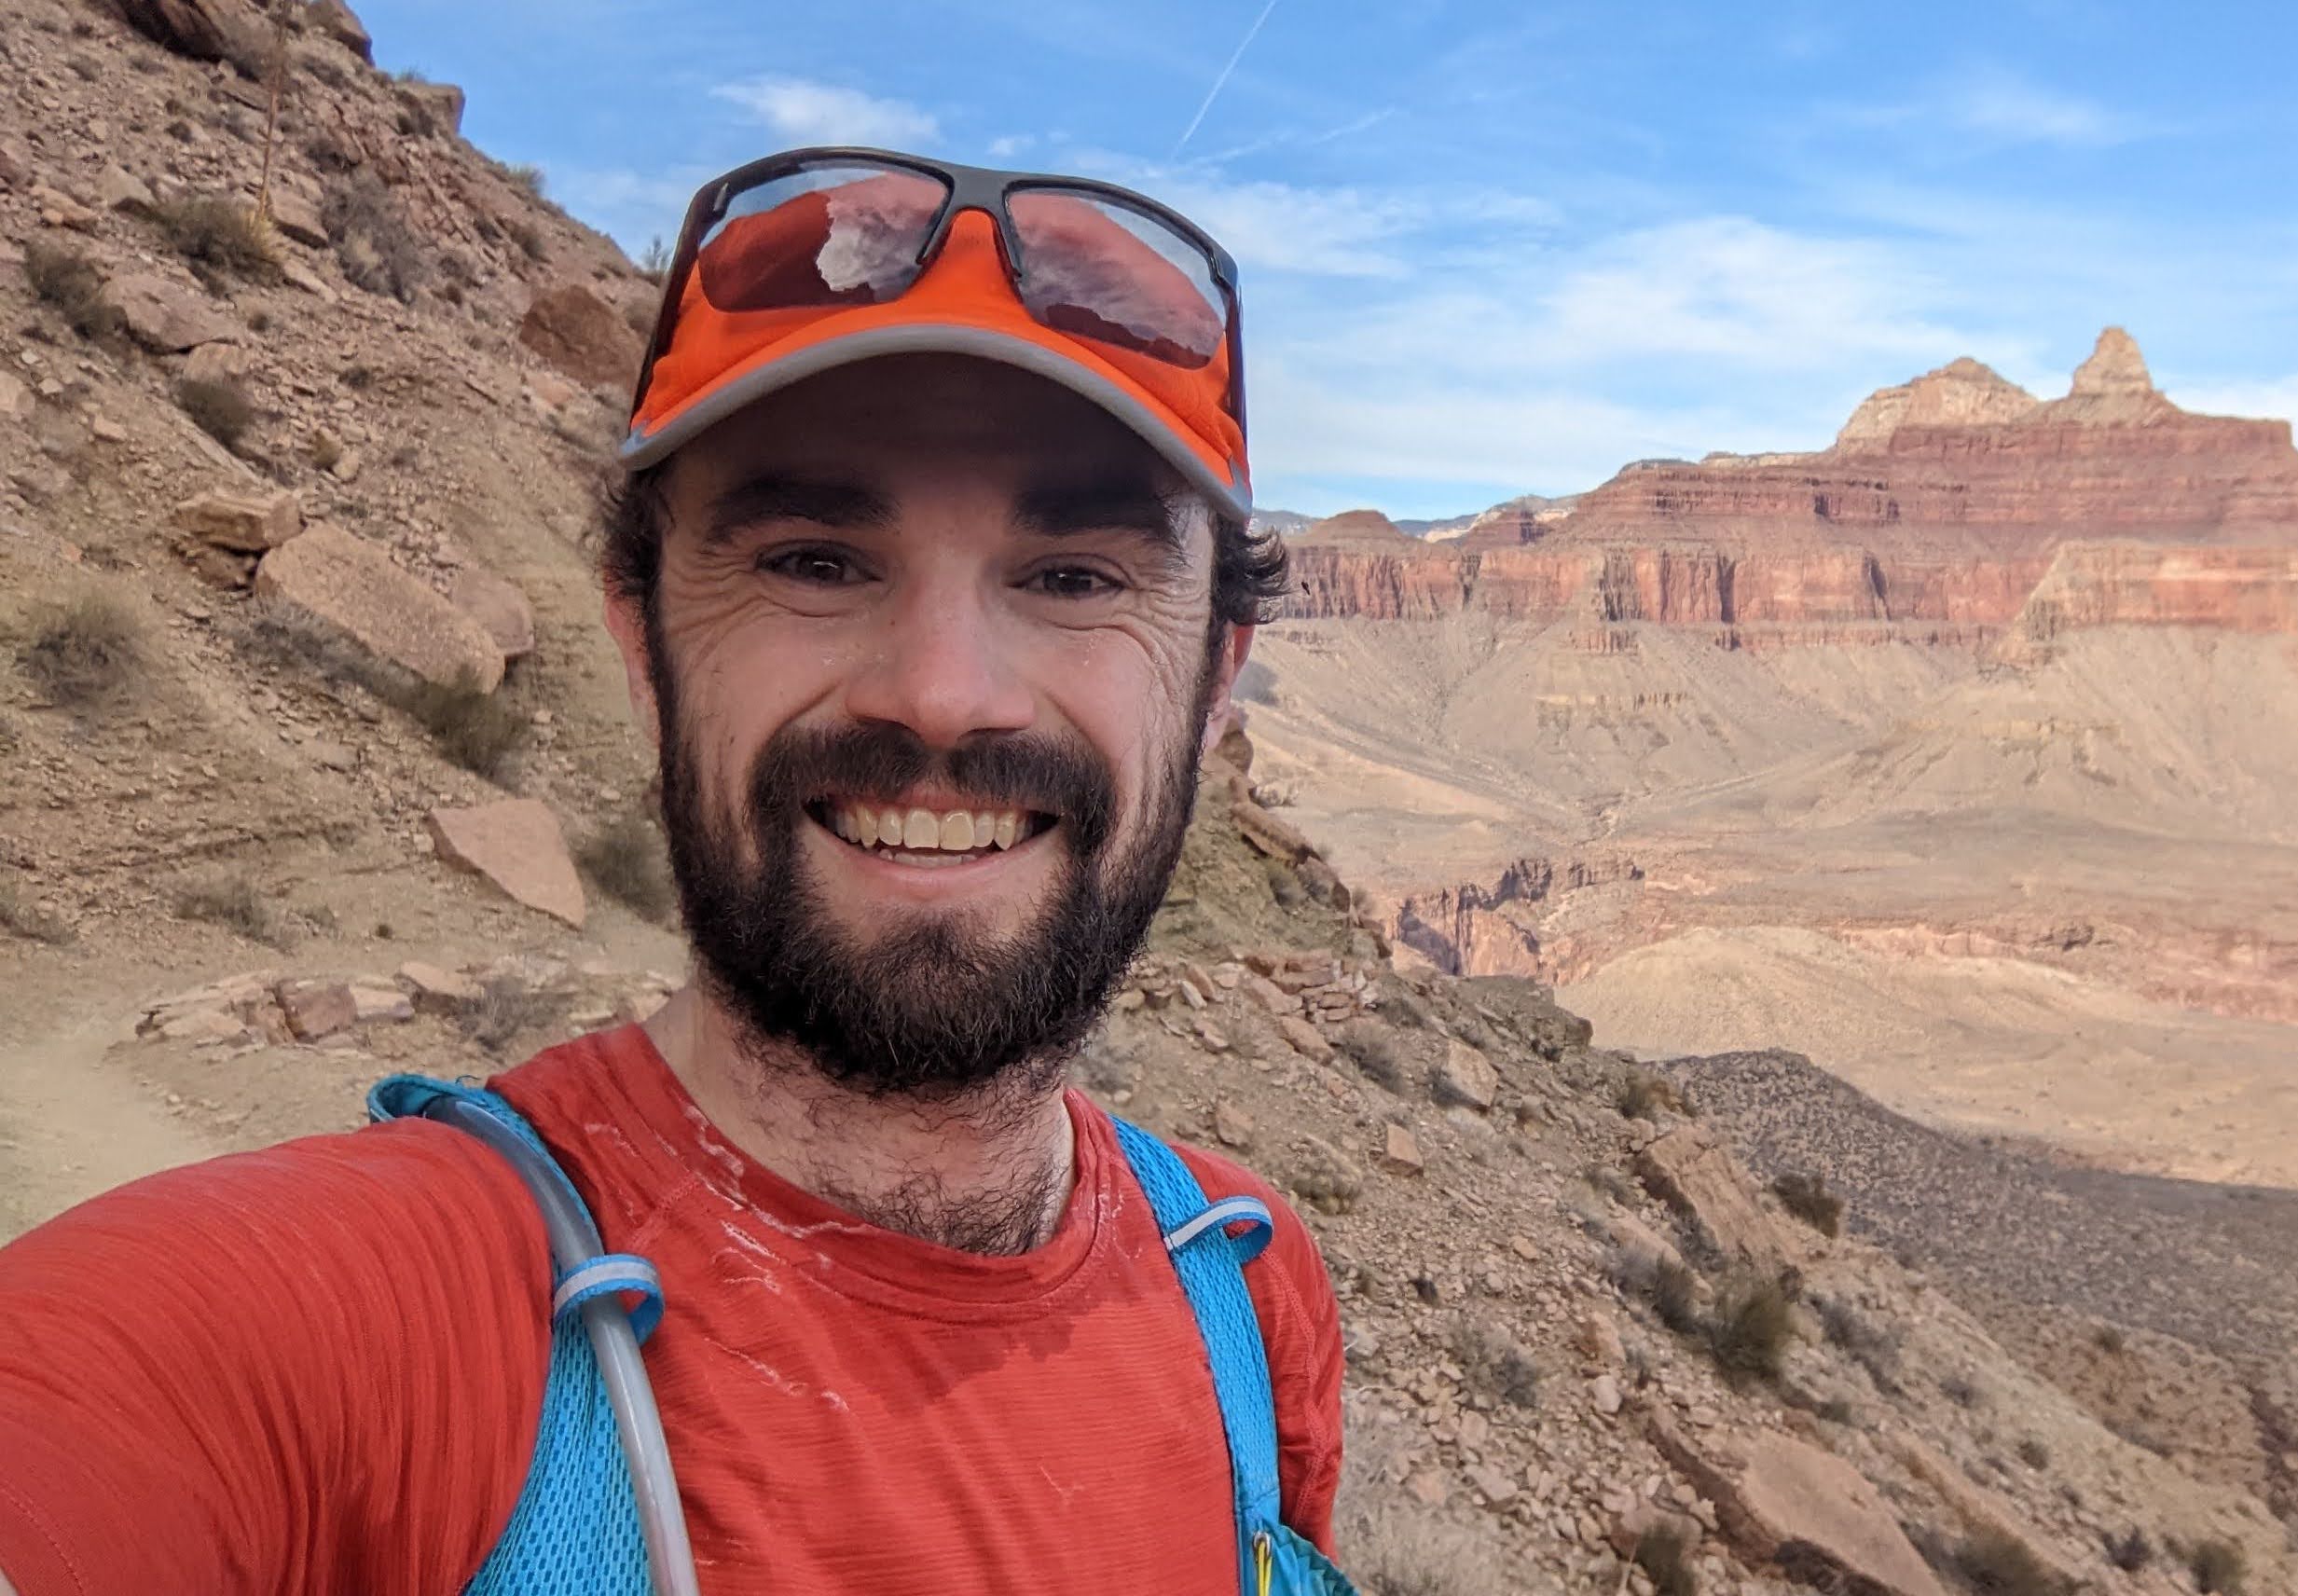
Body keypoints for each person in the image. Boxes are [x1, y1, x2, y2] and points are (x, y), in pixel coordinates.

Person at [0, 148, 1344, 1593]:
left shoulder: (1247, 1290)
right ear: (645, 641)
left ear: (1217, 680)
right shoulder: (337, 1325)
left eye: (1075, 577)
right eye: (817, 561)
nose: (945, 696)